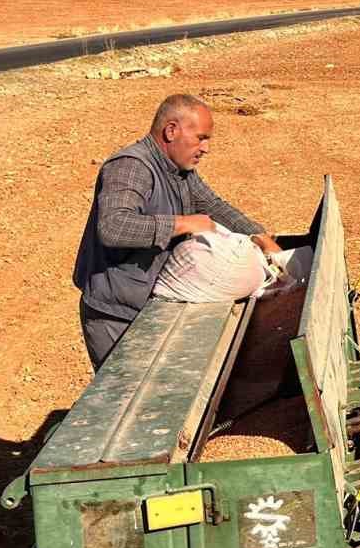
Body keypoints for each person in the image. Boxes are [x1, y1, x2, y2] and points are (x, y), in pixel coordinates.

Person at [73, 94, 278, 369]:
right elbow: (113, 227)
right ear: (171, 131)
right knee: (127, 396)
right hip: (117, 314)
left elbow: (212, 204)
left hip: (149, 305)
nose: (206, 148)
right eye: (201, 138)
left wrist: (261, 237)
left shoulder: (178, 170)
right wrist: (181, 223)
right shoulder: (132, 166)